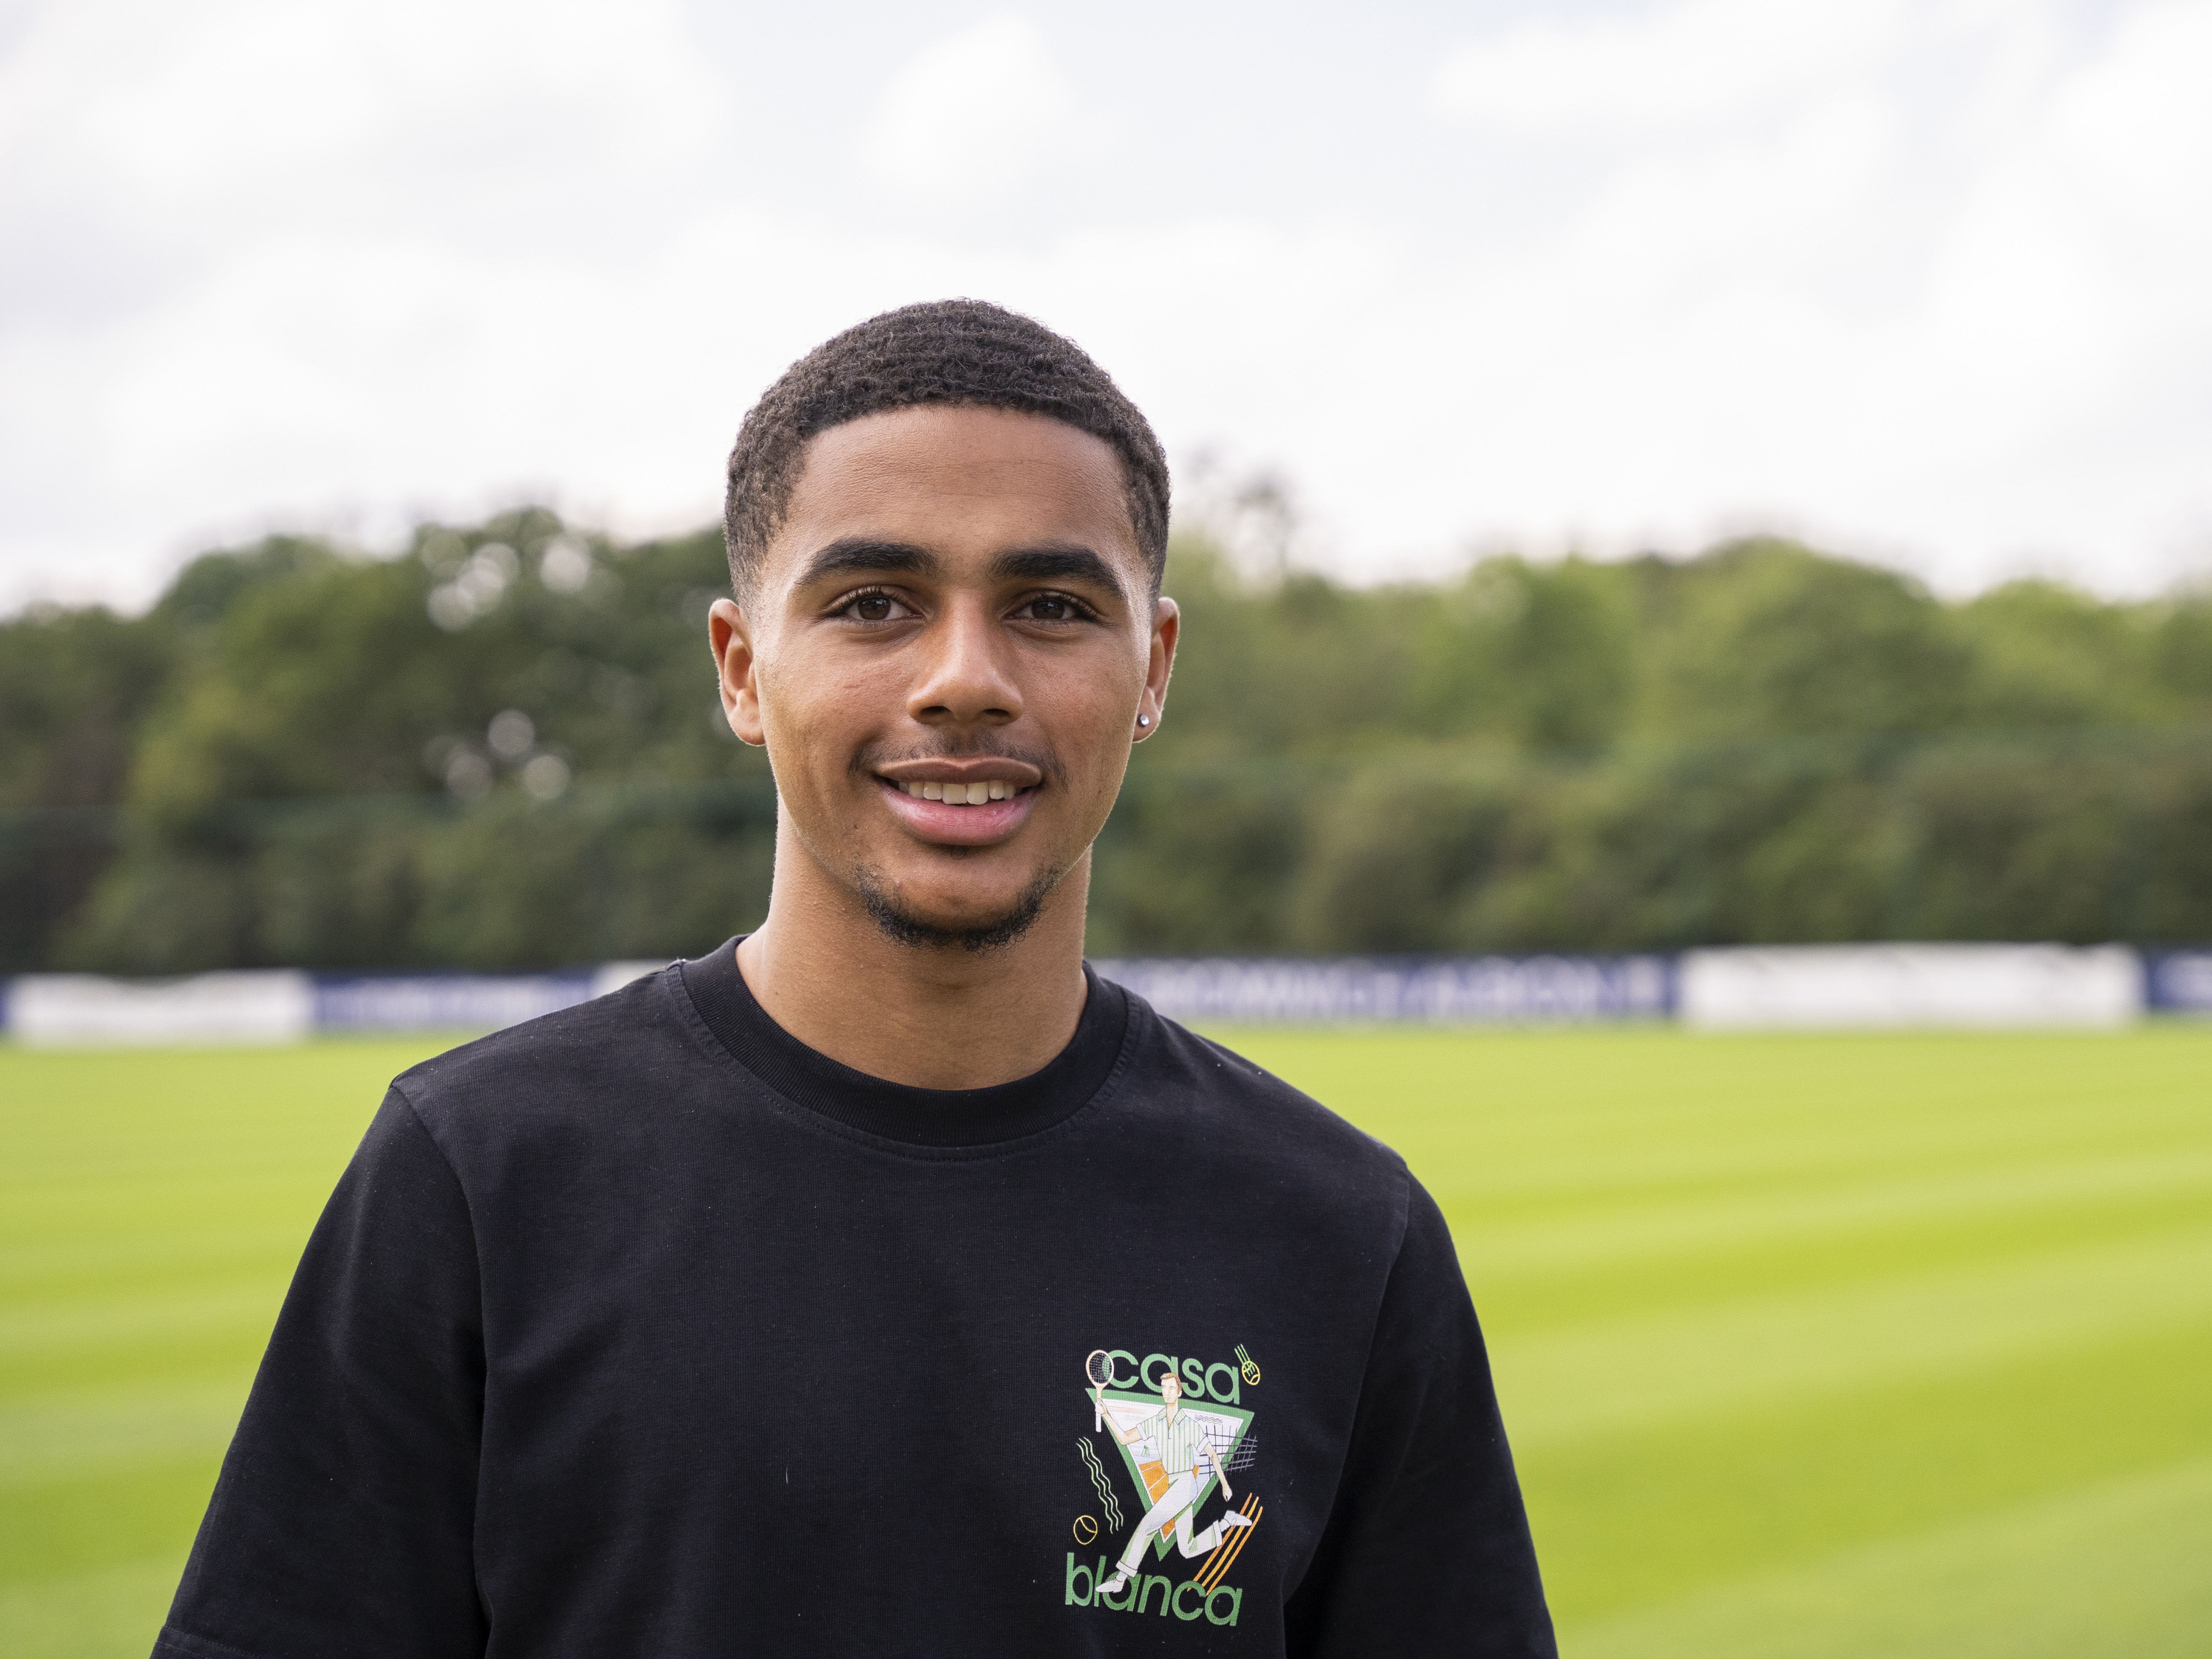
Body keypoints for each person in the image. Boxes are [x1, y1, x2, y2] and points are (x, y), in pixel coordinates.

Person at [154, 299, 1555, 1656]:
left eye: (1052, 605)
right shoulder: (477, 1177)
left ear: (1153, 665)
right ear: (741, 667)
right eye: (874, 601)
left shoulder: (1336, 1232)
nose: (963, 678)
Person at [1095, 1368, 1254, 1591]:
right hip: (1173, 1484)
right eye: (1164, 1388)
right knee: (1187, 1548)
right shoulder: (1156, 1422)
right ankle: (1227, 1522)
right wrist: (1105, 1414)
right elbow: (1124, 1439)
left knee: (1147, 1525)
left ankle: (1120, 1580)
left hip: (1186, 1483)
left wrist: (1225, 1484)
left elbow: (1212, 1454)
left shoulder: (1189, 1425)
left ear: (1179, 1393)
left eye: (1172, 1388)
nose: (1167, 1393)